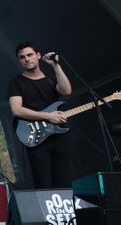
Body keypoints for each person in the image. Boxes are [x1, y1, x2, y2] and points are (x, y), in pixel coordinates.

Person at [8, 42, 73, 189]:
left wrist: (56, 65)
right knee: (43, 184)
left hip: (59, 135)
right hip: (36, 137)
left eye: (30, 55)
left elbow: (66, 91)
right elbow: (17, 110)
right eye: (22, 57)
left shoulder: (50, 78)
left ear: (38, 56)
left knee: (64, 183)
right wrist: (47, 116)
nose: (26, 59)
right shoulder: (16, 83)